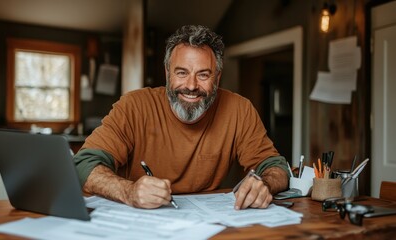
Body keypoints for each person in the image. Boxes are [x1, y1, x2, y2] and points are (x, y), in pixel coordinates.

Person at [74, 25, 290, 210]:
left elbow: (275, 166)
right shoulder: (134, 106)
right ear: (168, 73)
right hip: (141, 223)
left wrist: (265, 183)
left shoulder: (239, 109)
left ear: (217, 78)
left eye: (203, 74)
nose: (191, 86)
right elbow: (84, 164)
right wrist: (128, 191)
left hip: (207, 224)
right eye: (182, 73)